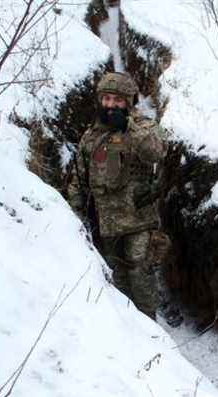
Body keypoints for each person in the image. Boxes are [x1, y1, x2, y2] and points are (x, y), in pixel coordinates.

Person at [68, 72, 167, 320]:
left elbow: (155, 151)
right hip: (106, 225)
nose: (111, 105)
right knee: (117, 282)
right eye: (107, 98)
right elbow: (78, 181)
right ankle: (130, 331)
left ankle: (153, 330)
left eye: (118, 100)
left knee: (140, 275)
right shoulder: (90, 137)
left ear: (128, 101)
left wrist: (128, 127)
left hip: (138, 221)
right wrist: (76, 217)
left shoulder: (143, 127)